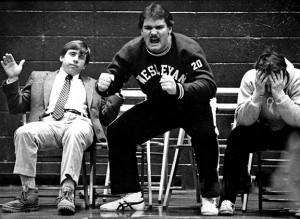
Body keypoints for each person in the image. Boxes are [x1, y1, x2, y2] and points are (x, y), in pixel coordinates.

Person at [96, 3, 220, 215]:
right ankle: (132, 197)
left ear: (169, 29)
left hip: (192, 107)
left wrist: (180, 88)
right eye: (148, 28)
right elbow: (115, 79)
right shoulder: (132, 51)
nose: (153, 32)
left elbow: (209, 85)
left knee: (206, 135)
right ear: (141, 30)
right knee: (118, 131)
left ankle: (210, 197)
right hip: (160, 107)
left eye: (159, 27)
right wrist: (104, 86)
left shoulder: (187, 48)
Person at [0, 40, 123, 215]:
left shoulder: (94, 85)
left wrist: (116, 93)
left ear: (85, 65)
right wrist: (13, 79)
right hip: (49, 124)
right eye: (72, 54)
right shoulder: (40, 77)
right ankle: (29, 195)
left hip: (80, 124)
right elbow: (17, 107)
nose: (76, 60)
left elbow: (106, 117)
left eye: (81, 57)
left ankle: (67, 193)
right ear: (61, 57)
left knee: (74, 132)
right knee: (23, 132)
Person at [219, 49, 300, 216]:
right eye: (266, 84)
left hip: (290, 129)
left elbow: (298, 120)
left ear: (284, 76)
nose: (269, 89)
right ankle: (228, 198)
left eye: (273, 84)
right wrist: (257, 95)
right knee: (236, 137)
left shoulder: (297, 79)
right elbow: (243, 121)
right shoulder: (251, 79)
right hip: (261, 128)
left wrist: (280, 94)